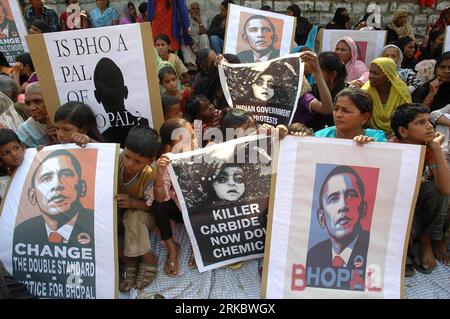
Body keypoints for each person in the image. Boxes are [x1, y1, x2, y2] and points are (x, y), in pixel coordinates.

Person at [12, 149, 95, 290]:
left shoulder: (98, 225)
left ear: (81, 188)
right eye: (46, 178)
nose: (57, 185)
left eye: (66, 175)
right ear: (32, 196)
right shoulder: (22, 233)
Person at [390, 104, 450, 275]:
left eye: (428, 121)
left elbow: (446, 189)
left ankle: (425, 242)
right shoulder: (390, 148)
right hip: (396, 206)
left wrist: (436, 148)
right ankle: (403, 250)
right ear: (403, 131)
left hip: (417, 206)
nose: (429, 126)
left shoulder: (428, 148)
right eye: (420, 123)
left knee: (436, 190)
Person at [306, 165, 371, 291]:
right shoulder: (312, 256)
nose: (343, 206)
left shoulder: (375, 250)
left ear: (363, 209)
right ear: (321, 218)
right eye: (333, 198)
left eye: (351, 196)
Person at [146, 118, 197, 276]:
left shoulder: (205, 153)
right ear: (169, 148)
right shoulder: (166, 163)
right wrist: (160, 174)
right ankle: (172, 248)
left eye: (193, 137)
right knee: (158, 206)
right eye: (185, 141)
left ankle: (201, 245)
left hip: (200, 210)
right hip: (181, 210)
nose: (193, 143)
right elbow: (160, 199)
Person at [117, 125, 160, 291]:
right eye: (127, 156)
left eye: (137, 162)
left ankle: (146, 258)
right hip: (119, 212)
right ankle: (127, 257)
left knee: (132, 216)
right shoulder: (116, 158)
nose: (129, 163)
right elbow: (94, 148)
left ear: (150, 161)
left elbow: (156, 207)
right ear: (124, 149)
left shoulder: (151, 174)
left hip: (144, 214)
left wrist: (132, 203)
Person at [93, 57, 143, 147]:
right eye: (106, 88)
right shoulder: (142, 126)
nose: (111, 92)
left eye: (114, 87)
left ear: (125, 91)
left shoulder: (143, 126)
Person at [361, 57, 411, 135]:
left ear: (388, 76)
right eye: (370, 72)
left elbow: (407, 118)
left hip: (398, 135)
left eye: (376, 73)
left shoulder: (401, 92)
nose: (370, 76)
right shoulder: (364, 92)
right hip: (369, 135)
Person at [315, 88, 386, 142]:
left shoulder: (376, 139)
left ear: (364, 117)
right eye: (336, 109)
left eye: (345, 111)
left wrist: (371, 148)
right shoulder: (320, 138)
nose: (338, 115)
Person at [306, 51, 347, 131]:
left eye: (318, 71)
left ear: (333, 74)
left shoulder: (347, 96)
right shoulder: (312, 90)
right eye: (314, 71)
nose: (314, 76)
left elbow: (328, 110)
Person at [16, 82, 56, 148]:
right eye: (28, 103)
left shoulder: (67, 120)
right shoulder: (24, 131)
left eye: (38, 101)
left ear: (50, 100)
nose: (31, 108)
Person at [181, 2, 211, 69]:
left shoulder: (204, 18)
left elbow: (204, 33)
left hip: (200, 43)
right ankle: (191, 64)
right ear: (190, 10)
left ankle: (206, 60)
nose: (195, 10)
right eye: (193, 8)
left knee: (204, 37)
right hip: (190, 43)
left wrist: (199, 21)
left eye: (197, 8)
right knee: (183, 40)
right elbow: (185, 35)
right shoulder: (186, 19)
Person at [0, 128, 25, 202]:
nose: (14, 154)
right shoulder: (3, 181)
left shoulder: (31, 155)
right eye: (6, 153)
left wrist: (41, 153)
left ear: (22, 146)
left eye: (16, 148)